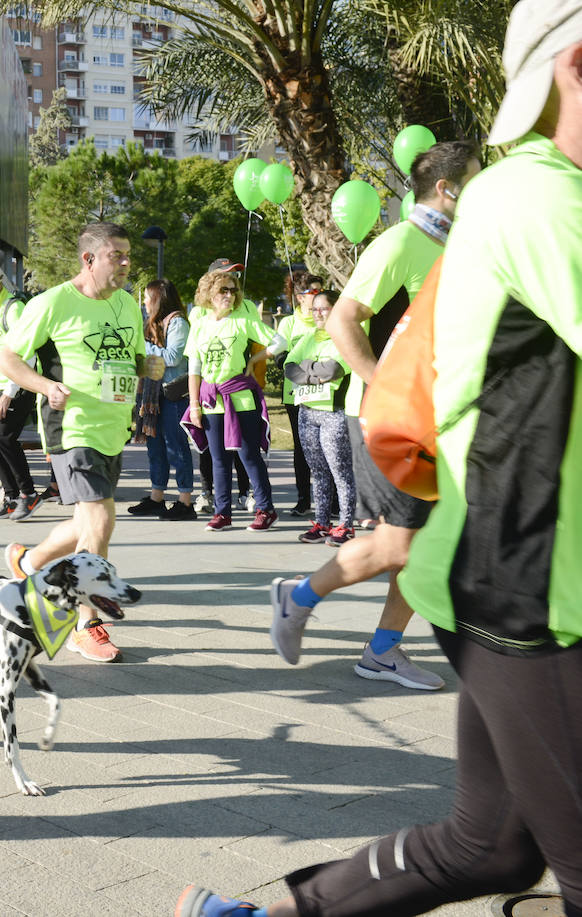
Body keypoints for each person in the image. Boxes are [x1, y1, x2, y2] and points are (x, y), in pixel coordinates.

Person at [183, 5, 582, 912]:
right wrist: (362, 384)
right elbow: (345, 318)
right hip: (526, 586)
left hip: (500, 570)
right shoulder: (536, 194)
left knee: (487, 850)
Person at [269, 138, 481, 689]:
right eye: (475, 181)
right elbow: (343, 320)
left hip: (435, 419)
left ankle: (382, 651)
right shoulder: (402, 241)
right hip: (390, 419)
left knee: (419, 544)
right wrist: (383, 385)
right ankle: (297, 599)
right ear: (446, 188)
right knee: (401, 544)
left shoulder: (459, 247)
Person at [0, 222, 146, 663]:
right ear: (89, 259)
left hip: (113, 425)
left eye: (128, 256)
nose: (125, 263)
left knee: (87, 525)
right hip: (72, 427)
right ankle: (87, 622)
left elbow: (131, 358)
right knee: (101, 522)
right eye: (116, 255)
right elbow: (8, 356)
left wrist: (147, 373)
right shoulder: (54, 302)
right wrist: (43, 385)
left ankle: (28, 563)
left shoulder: (127, 304)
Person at [184, 270, 285, 532]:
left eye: (233, 290)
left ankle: (266, 509)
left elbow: (280, 341)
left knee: (248, 455)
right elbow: (194, 369)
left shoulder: (243, 320)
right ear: (209, 294)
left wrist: (255, 359)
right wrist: (194, 405)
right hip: (210, 400)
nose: (229, 295)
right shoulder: (200, 324)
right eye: (223, 290)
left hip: (241, 398)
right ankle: (222, 513)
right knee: (218, 459)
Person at [283, 290, 357, 545]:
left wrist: (307, 369)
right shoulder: (308, 339)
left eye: (323, 308)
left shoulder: (344, 336)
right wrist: (315, 372)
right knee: (318, 471)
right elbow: (289, 367)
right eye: (314, 309)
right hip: (307, 412)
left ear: (336, 309)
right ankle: (322, 522)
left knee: (340, 471)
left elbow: (335, 369)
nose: (318, 314)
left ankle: (346, 525)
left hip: (332, 412)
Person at [0, 261, 43, 522]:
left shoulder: (14, 309)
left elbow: (29, 354)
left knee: (4, 439)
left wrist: (9, 393)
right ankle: (12, 497)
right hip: (2, 384)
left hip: (19, 385)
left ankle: (29, 494)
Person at [128, 278, 195, 520]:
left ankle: (185, 501)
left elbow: (174, 357)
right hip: (152, 397)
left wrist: (143, 347)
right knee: (155, 448)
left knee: (176, 449)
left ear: (158, 298)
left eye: (147, 297)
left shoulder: (177, 322)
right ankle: (157, 497)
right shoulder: (152, 323)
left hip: (172, 394)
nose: (144, 302)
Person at [274, 271, 322, 516]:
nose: (318, 297)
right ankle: (303, 499)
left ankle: (331, 502)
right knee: (301, 447)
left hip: (324, 394)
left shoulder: (327, 319)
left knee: (326, 448)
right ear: (300, 296)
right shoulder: (288, 323)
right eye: (313, 292)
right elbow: (279, 357)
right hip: (296, 395)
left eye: (320, 291)